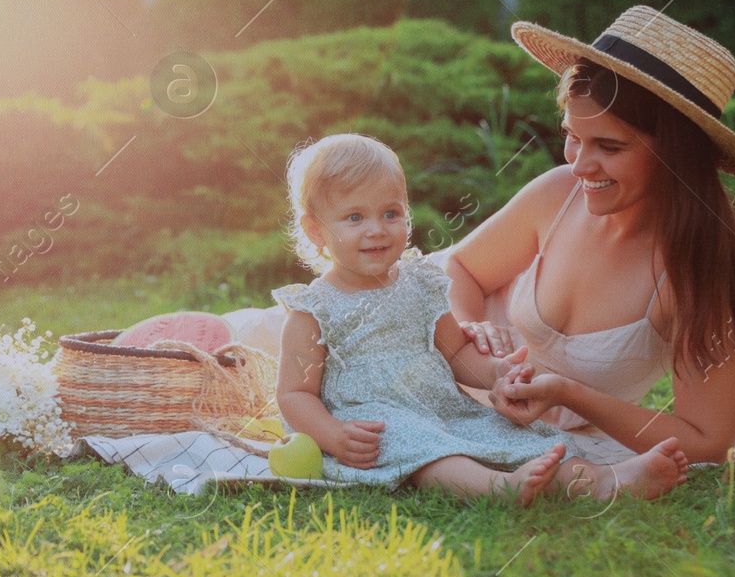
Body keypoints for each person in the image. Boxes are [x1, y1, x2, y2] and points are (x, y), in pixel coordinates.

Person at [447, 4, 735, 489]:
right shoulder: (557, 195)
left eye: (609, 147)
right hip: (458, 365)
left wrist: (570, 394)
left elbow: (708, 441)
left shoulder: (692, 276)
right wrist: (468, 332)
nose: (580, 165)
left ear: (675, 153)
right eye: (572, 138)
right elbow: (459, 269)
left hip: (529, 422)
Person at [272, 133, 690, 504]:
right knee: (428, 451)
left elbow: (455, 351)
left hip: (442, 408)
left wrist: (496, 375)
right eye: (354, 218)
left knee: (513, 437)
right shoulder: (315, 309)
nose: (377, 229)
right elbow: (295, 393)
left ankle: (603, 480)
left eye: (390, 213)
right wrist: (332, 435)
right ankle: (495, 488)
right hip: (374, 424)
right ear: (316, 231)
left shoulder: (420, 283)